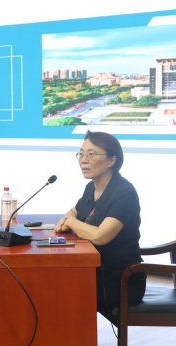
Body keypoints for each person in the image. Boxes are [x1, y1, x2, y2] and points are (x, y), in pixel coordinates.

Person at [55, 131, 145, 315]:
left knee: (58, 286)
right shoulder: (92, 187)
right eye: (81, 154)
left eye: (91, 154)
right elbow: (74, 211)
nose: (83, 160)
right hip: (94, 270)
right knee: (51, 279)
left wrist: (71, 222)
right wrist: (66, 220)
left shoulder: (124, 192)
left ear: (112, 160)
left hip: (120, 281)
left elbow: (100, 236)